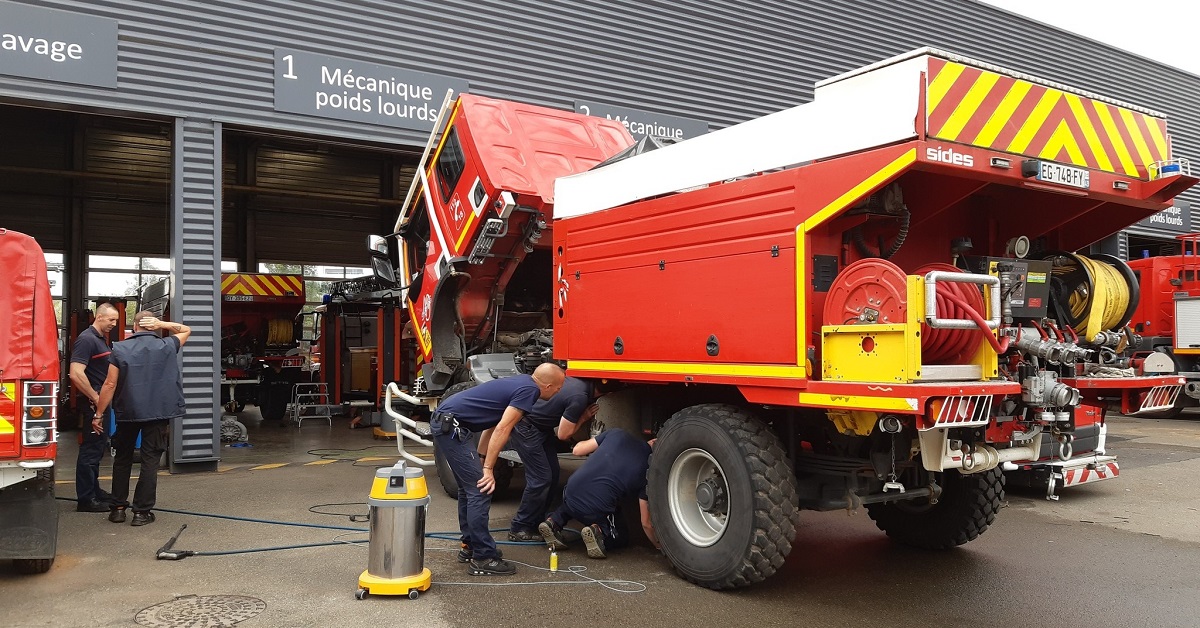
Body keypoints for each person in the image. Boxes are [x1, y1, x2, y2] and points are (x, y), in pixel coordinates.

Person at [430, 362, 565, 576]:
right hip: (452, 427)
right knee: (481, 489)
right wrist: (488, 469)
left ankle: (470, 546)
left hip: (449, 424)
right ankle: (483, 558)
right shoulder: (529, 391)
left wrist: (483, 458)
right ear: (548, 386)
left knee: (469, 488)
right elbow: (504, 429)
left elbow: (492, 426)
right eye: (559, 388)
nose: (560, 391)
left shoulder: (520, 383)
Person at [94, 312, 191, 527]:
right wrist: (163, 324)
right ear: (153, 326)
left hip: (128, 413)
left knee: (122, 458)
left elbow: (109, 384)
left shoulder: (119, 348)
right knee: (149, 461)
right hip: (157, 414)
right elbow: (186, 330)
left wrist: (99, 414)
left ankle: (118, 509)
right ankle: (141, 513)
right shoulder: (167, 345)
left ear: (135, 326)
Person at [506, 377, 603, 542]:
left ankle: (536, 521)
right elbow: (563, 435)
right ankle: (519, 527)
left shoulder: (576, 383)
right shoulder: (579, 396)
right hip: (527, 427)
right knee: (540, 478)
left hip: (541, 428)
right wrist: (584, 417)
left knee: (552, 474)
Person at [539, 429, 655, 559]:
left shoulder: (617, 433)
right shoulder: (648, 472)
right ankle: (599, 530)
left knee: (572, 502)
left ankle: (553, 521)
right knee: (621, 536)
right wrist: (659, 546)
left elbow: (577, 450)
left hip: (571, 489)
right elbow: (646, 523)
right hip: (596, 506)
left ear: (651, 441)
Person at [69, 303, 121, 513]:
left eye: (116, 320)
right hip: (94, 404)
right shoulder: (87, 339)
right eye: (111, 320)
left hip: (101, 403)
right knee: (90, 451)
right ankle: (86, 499)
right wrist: (95, 397)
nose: (114, 324)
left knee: (98, 449)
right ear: (99, 317)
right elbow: (76, 373)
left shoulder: (99, 339)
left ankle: (94, 490)